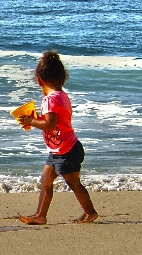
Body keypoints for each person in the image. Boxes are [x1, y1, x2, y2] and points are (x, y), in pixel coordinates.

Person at [16, 51, 98, 224]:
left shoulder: (50, 100)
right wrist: (37, 120)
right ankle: (40, 215)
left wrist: (31, 121)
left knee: (74, 183)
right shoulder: (62, 96)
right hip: (60, 150)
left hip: (66, 150)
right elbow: (53, 121)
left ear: (40, 80)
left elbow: (50, 124)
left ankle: (90, 212)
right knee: (46, 180)